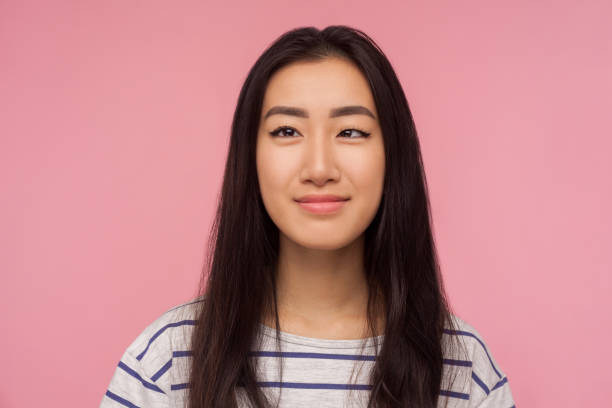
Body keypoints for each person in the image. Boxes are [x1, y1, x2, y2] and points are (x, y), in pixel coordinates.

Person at [100, 25, 516, 408]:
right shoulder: (167, 361)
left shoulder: (463, 368)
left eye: (351, 131)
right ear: (250, 159)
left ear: (393, 156)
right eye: (287, 131)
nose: (319, 168)